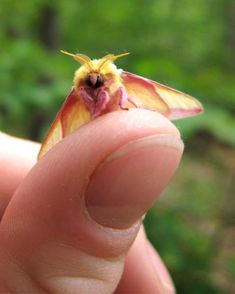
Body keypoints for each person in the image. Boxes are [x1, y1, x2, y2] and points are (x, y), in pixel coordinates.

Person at [0, 109, 183, 293]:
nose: (95, 82)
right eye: (90, 81)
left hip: (117, 123)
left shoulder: (112, 84)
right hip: (99, 134)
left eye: (99, 80)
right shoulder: (80, 97)